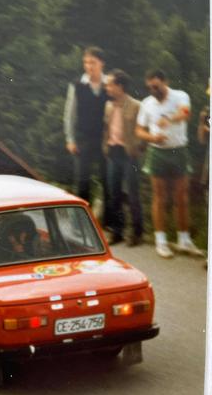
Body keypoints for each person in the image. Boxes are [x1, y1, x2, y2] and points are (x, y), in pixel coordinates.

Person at [135, 69, 204, 258]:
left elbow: (186, 113)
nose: (153, 91)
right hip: (157, 152)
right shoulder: (147, 103)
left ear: (165, 82)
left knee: (181, 196)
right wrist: (152, 137)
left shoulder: (180, 96)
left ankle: (184, 240)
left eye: (156, 87)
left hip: (178, 150)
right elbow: (139, 130)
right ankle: (161, 242)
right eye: (150, 87)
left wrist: (169, 119)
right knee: (160, 196)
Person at [64, 46, 111, 226]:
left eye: (93, 62)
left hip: (105, 139)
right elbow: (70, 114)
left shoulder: (109, 85)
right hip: (83, 139)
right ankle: (81, 224)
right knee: (82, 181)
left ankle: (106, 222)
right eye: (86, 62)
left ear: (101, 63)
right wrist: (70, 139)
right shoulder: (77, 85)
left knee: (106, 180)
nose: (89, 66)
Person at [102, 69, 145, 246]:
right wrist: (105, 147)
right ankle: (117, 232)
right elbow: (106, 129)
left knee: (133, 194)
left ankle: (137, 233)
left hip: (129, 155)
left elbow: (142, 132)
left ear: (120, 86)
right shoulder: (109, 106)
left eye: (110, 84)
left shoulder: (136, 106)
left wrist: (136, 149)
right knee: (114, 194)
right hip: (113, 152)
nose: (107, 88)